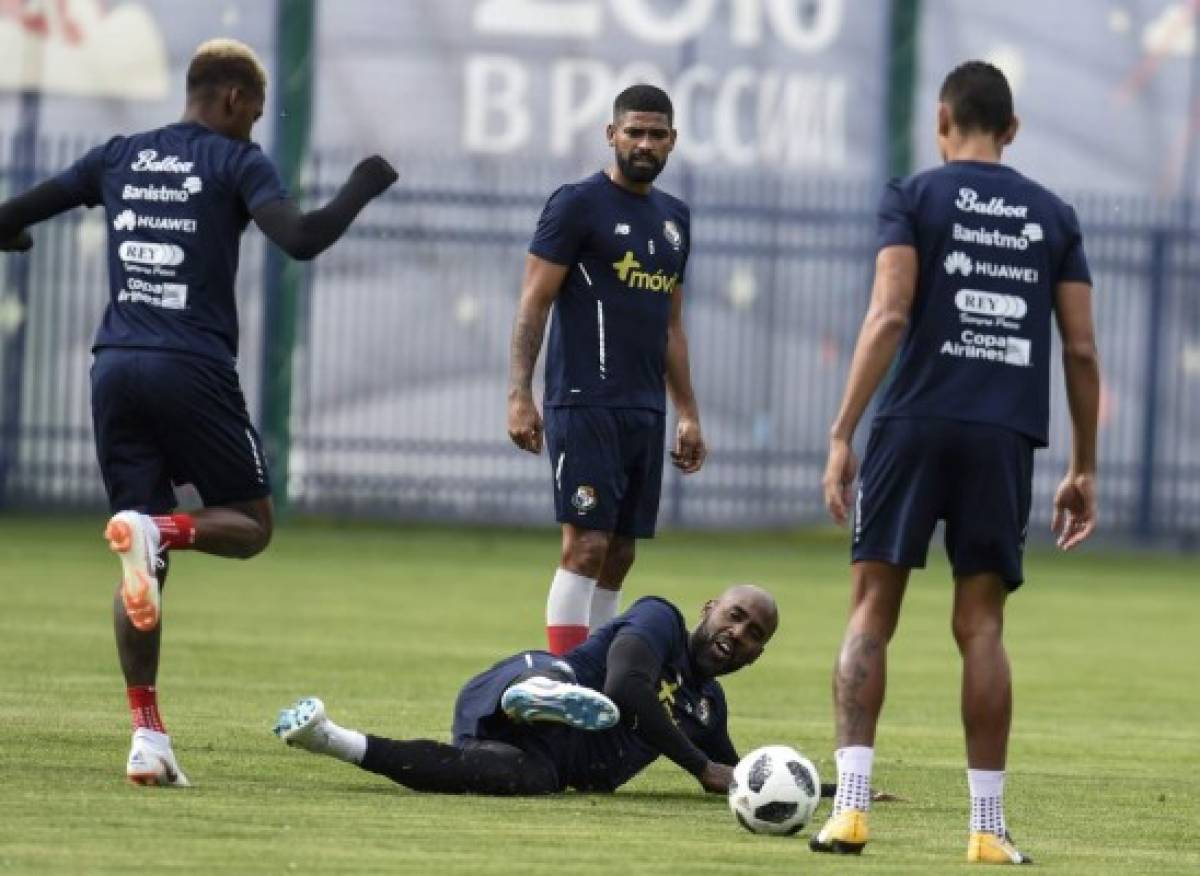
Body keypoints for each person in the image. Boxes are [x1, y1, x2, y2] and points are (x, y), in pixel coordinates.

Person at [0, 38, 397, 786]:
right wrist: (365, 182)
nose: (255, 125)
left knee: (141, 572)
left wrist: (13, 237)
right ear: (233, 101)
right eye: (254, 111)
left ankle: (147, 736)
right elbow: (303, 239)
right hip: (192, 367)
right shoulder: (235, 161)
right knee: (249, 527)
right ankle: (160, 530)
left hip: (114, 366)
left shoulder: (118, 156)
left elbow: (9, 215)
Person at [813, 61, 1100, 864]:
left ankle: (853, 812)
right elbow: (1079, 347)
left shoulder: (914, 196)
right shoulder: (1053, 214)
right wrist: (1084, 465)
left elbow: (890, 312)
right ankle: (985, 828)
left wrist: (843, 431)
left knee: (872, 610)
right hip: (1002, 432)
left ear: (943, 121)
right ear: (1011, 129)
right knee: (981, 626)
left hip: (912, 425)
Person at [506, 84, 706, 656]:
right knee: (587, 544)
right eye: (634, 131)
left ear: (673, 141)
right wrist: (520, 393)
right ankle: (566, 677)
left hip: (644, 408)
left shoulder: (675, 219)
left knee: (621, 553)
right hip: (583, 400)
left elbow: (672, 326)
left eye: (657, 134)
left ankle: (593, 672)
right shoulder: (576, 204)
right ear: (611, 134)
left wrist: (688, 412)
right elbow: (533, 301)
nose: (645, 143)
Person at [273, 586, 780, 796]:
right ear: (709, 609)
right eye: (735, 616)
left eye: (754, 634)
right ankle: (541, 693)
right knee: (561, 675)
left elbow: (744, 774)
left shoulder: (708, 708)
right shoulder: (659, 618)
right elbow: (625, 687)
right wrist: (698, 767)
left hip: (540, 756)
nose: (739, 633)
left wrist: (821, 791)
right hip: (521, 680)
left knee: (517, 778)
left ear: (757, 657)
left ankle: (332, 738)